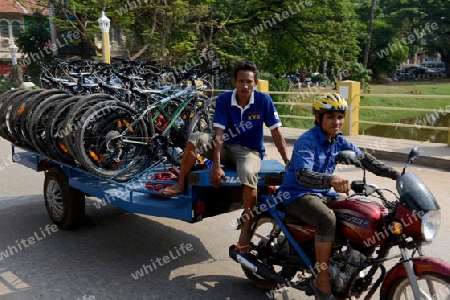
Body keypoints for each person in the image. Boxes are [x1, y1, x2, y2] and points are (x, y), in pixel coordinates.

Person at [278, 93, 400, 300]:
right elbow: (302, 174)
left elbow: (364, 159)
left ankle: (346, 266)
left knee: (360, 213)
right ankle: (322, 279)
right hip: (297, 194)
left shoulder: (338, 141)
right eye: (330, 117)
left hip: (323, 193)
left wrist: (395, 174)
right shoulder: (307, 141)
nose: (336, 122)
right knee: (327, 220)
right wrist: (331, 180)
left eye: (340, 117)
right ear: (318, 118)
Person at [161, 61, 290, 252]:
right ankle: (181, 183)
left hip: (250, 151)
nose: (245, 86)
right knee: (195, 138)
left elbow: (277, 133)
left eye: (249, 81)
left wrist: (288, 161)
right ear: (234, 82)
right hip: (224, 146)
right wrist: (216, 166)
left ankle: (246, 227)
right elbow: (218, 133)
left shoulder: (264, 101)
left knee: (248, 174)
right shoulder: (224, 99)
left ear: (255, 82)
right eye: (241, 81)